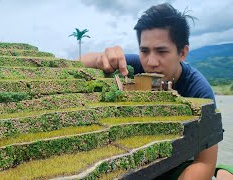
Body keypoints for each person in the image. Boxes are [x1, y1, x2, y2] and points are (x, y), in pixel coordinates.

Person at [80, 3, 218, 180]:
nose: (151, 62)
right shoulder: (134, 65)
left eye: (162, 51)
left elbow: (205, 162)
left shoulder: (199, 91)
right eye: (144, 51)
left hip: (179, 162)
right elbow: (80, 62)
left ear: (183, 53)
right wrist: (100, 58)